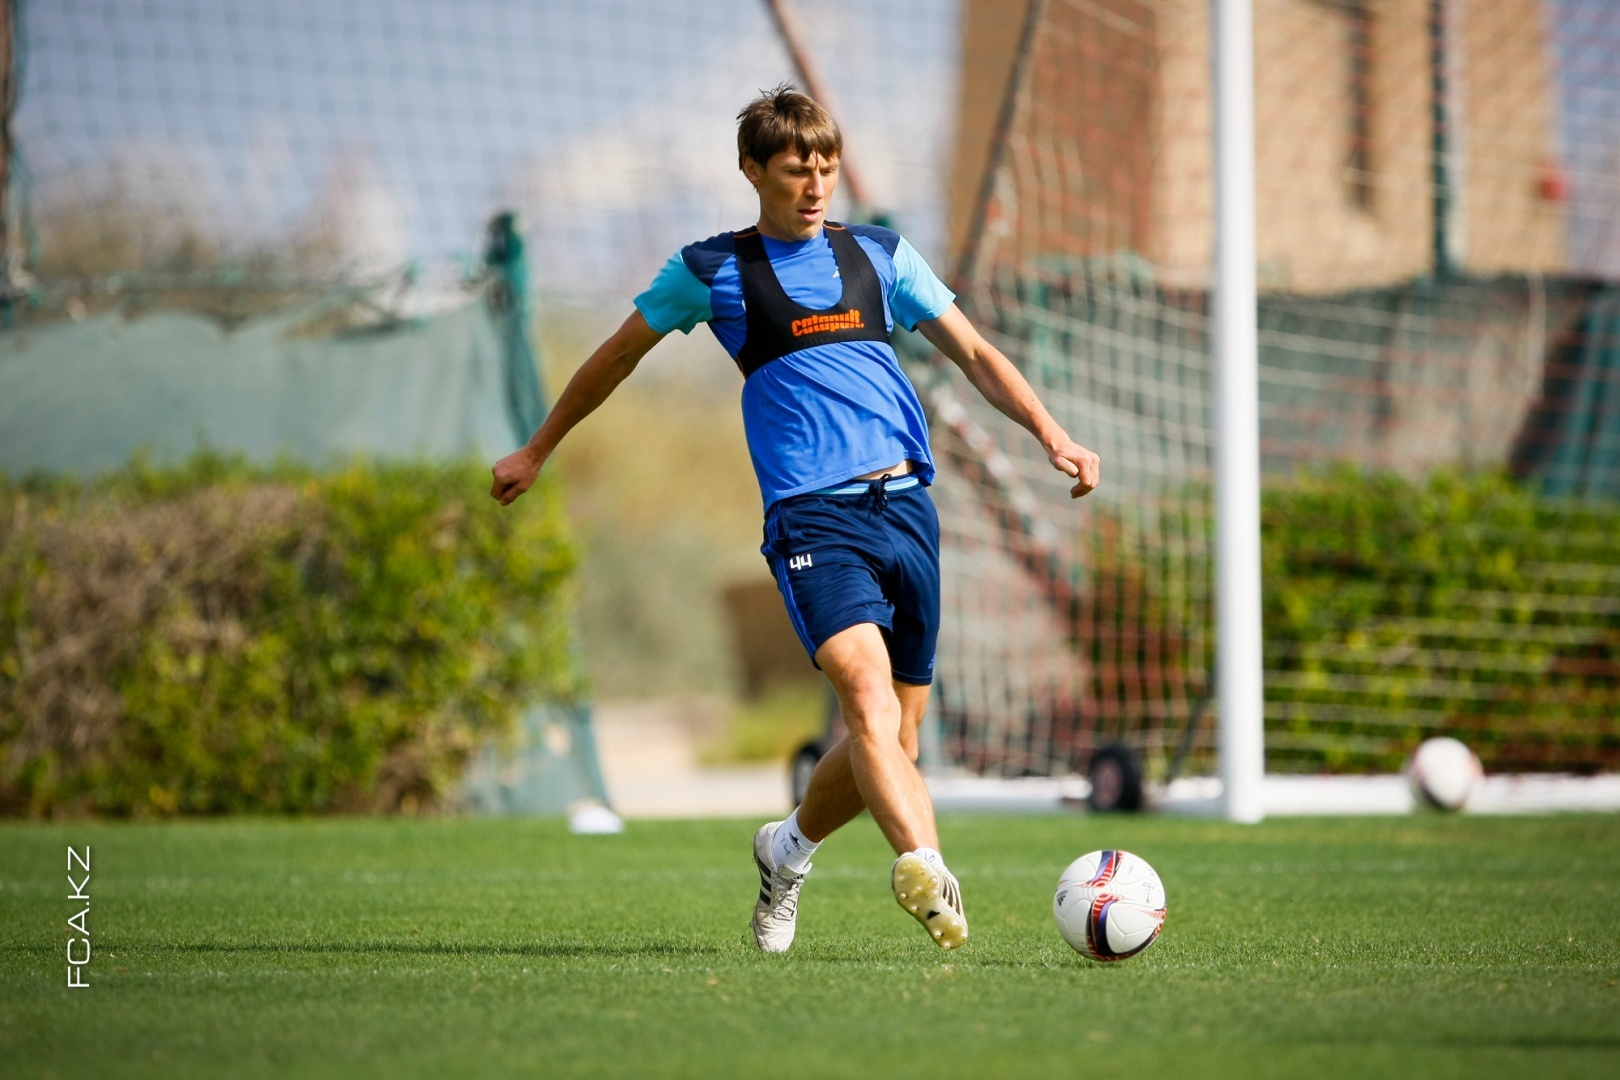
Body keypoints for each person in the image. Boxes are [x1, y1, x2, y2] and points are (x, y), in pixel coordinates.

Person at [491, 85, 1098, 952]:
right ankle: (928, 869)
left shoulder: (881, 256)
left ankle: (787, 850)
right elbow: (616, 357)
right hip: (813, 520)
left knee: (898, 735)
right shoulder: (711, 271)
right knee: (864, 697)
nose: (814, 187)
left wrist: (1052, 434)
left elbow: (974, 352)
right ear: (752, 171)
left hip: (907, 510)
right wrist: (537, 449)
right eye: (793, 171)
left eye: (826, 169)